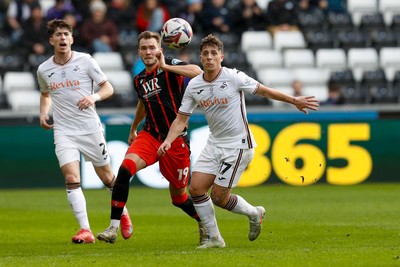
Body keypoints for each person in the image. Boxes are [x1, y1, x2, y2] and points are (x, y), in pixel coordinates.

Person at [158, 34, 319, 248]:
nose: (209, 57)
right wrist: (169, 140)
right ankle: (215, 239)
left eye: (213, 53)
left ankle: (254, 213)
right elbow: (181, 119)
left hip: (238, 145)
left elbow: (263, 90)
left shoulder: (234, 77)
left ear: (221, 57)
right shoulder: (194, 85)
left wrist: (293, 100)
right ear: (200, 57)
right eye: (205, 53)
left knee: (219, 197)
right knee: (196, 189)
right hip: (214, 143)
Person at [96, 31, 205, 244]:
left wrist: (165, 66)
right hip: (151, 135)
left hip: (175, 141)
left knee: (179, 198)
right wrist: (133, 128)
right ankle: (113, 228)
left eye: (152, 48)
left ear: (160, 50)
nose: (148, 52)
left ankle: (204, 221)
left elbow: (197, 71)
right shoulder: (140, 80)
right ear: (139, 52)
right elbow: (143, 104)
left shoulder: (171, 66)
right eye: (144, 49)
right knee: (125, 169)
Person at [37, 19, 132, 244]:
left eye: (65, 34)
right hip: (64, 131)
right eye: (58, 35)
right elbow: (45, 94)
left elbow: (108, 87)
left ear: (72, 39)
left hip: (89, 128)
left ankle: (123, 213)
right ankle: (85, 230)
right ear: (51, 40)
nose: (62, 38)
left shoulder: (86, 61)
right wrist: (43, 113)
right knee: (71, 178)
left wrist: (93, 97)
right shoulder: (44, 69)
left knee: (107, 177)